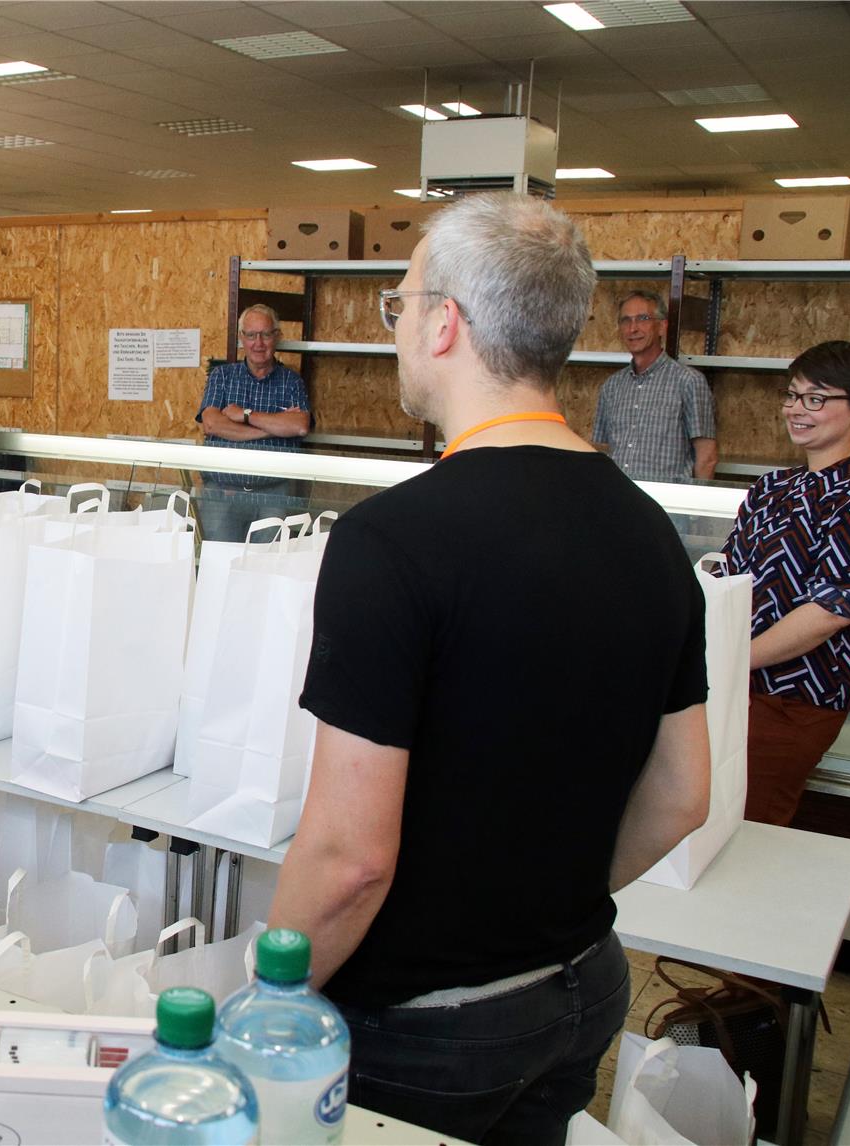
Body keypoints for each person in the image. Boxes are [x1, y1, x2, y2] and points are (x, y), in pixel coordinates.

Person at [269, 194, 712, 1144]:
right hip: (582, 985)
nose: (394, 329)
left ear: (444, 324)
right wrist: (539, 908)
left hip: (426, 1028)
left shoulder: (391, 539)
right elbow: (682, 797)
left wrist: (264, 1001)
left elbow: (349, 861)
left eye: (398, 305)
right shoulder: (649, 532)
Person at [720, 340, 850, 827]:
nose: (796, 409)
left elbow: (830, 611)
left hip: (795, 700)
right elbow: (726, 576)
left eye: (816, 398)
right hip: (733, 685)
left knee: (751, 826)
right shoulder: (772, 487)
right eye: (792, 395)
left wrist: (733, 659)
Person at [195, 304, 311, 541]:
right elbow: (212, 424)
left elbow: (299, 426)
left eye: (266, 334)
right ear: (241, 338)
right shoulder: (222, 377)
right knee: (219, 559)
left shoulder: (291, 382)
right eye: (251, 335)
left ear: (276, 336)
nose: (258, 343)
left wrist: (245, 415)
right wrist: (272, 429)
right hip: (223, 492)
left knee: (267, 561)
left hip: (273, 494)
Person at [593, 290, 717, 481]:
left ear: (662, 327)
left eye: (643, 318)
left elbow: (706, 458)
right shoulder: (611, 387)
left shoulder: (688, 382)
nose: (633, 328)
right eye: (626, 320)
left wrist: (697, 500)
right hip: (618, 496)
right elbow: (601, 449)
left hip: (665, 498)